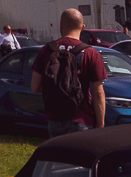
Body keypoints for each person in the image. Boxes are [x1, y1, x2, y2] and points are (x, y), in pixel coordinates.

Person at [30, 8, 106, 136]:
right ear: (82, 27)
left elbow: (35, 87)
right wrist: (100, 124)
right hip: (81, 119)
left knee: (58, 156)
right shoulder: (90, 53)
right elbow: (98, 93)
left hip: (54, 119)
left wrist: (58, 87)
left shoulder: (47, 50)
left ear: (61, 25)